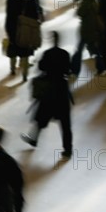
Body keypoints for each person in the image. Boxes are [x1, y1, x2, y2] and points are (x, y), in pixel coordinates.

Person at [21, 31, 73, 159]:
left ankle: (34, 139)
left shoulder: (48, 53)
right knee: (65, 122)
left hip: (49, 90)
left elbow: (42, 67)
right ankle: (68, 148)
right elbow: (68, 70)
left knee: (41, 116)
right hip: (61, 89)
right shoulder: (65, 54)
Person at [5, 0, 40, 82]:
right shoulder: (31, 0)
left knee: (13, 50)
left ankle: (12, 69)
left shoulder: (10, 1)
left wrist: (9, 33)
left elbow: (8, 20)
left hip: (14, 31)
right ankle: (24, 76)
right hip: (27, 31)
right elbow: (36, 16)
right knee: (25, 53)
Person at [71, 0, 105, 77]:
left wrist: (79, 5)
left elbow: (80, 13)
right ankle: (101, 69)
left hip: (86, 29)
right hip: (92, 29)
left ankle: (74, 71)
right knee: (95, 50)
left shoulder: (86, 0)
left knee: (79, 51)